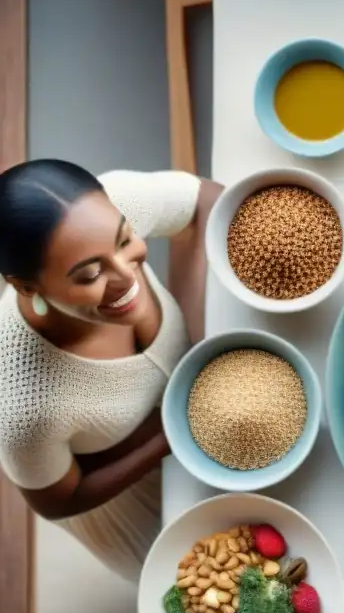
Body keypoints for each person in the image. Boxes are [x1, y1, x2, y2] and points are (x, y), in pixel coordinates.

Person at [0, 159, 223, 582]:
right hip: (133, 489)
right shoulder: (21, 404)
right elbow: (59, 500)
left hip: (200, 408)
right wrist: (169, 434)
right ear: (27, 287)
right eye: (90, 274)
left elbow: (208, 200)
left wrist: (197, 337)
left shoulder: (110, 204)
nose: (127, 276)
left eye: (125, 241)